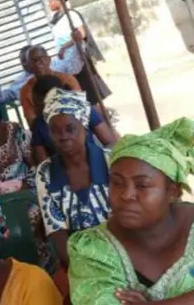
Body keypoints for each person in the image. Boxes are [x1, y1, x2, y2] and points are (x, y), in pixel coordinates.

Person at [69, 117, 194, 304]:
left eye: (142, 185)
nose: (126, 195)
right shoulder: (92, 251)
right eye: (117, 183)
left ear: (173, 191)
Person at [0, 93, 57, 274]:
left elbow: (33, 165)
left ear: (0, 122)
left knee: (34, 219)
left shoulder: (16, 131)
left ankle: (45, 270)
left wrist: (25, 186)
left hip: (27, 190)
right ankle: (16, 274)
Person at [35, 87, 110, 268]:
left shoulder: (110, 161)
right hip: (79, 262)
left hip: (123, 251)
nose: (63, 136)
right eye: (55, 130)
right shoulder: (45, 172)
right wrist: (83, 270)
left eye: (70, 129)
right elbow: (57, 233)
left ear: (84, 128)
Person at [31, 75, 118, 164]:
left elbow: (109, 142)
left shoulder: (83, 110)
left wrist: (102, 164)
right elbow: (43, 162)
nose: (34, 108)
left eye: (37, 103)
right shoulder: (38, 125)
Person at [47, 0, 111, 104]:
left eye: (51, 1)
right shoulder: (56, 19)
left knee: (89, 92)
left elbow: (80, 34)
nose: (49, 4)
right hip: (66, 61)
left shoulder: (71, 15)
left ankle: (100, 116)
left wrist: (64, 47)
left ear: (60, 0)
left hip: (77, 58)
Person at [20, 46, 81, 125]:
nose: (38, 63)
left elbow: (80, 107)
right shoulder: (25, 90)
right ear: (28, 66)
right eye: (33, 61)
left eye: (41, 58)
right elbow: (32, 121)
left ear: (49, 59)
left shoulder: (67, 79)